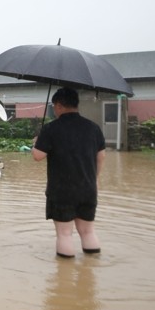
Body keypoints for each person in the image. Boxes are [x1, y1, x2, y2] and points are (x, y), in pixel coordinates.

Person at [31, 87, 106, 258]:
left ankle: (64, 278)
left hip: (61, 190)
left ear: (58, 105)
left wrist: (36, 143)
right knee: (88, 232)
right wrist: (93, 180)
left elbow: (37, 156)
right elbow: (101, 157)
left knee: (64, 234)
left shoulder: (51, 129)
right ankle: (91, 270)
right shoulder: (93, 128)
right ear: (76, 104)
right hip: (88, 188)